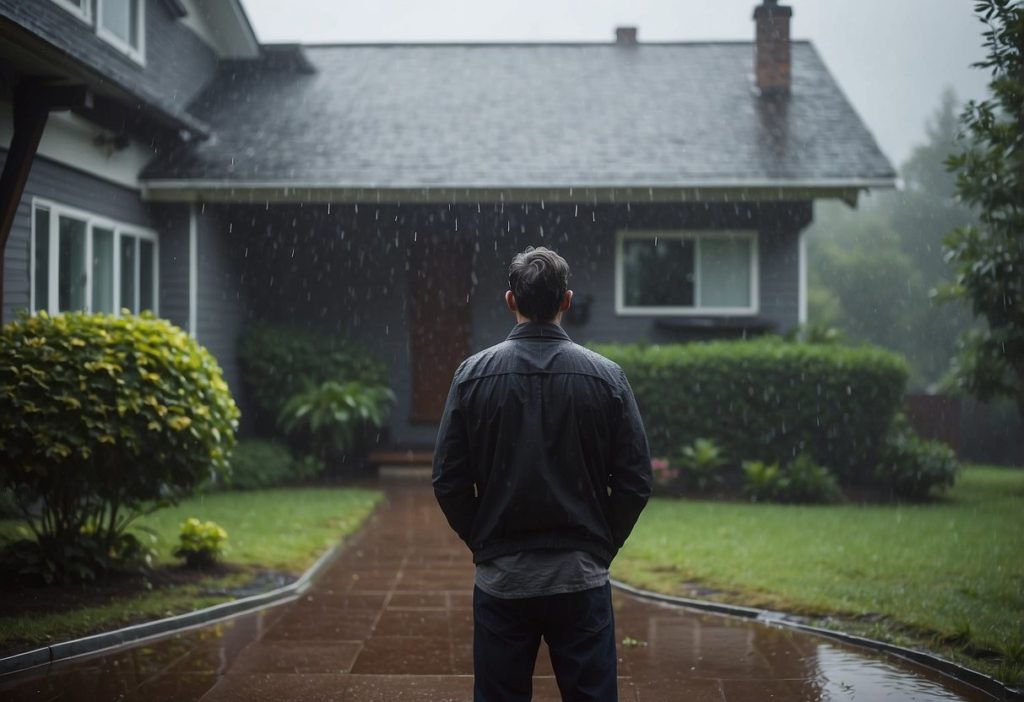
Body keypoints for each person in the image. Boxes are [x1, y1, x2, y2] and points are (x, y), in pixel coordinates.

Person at [433, 245, 652, 702]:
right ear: (566, 300)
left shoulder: (472, 376)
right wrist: (600, 544)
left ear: (510, 301)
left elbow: (448, 479)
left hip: (502, 582)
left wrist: (486, 540)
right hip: (581, 578)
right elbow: (634, 479)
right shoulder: (607, 377)